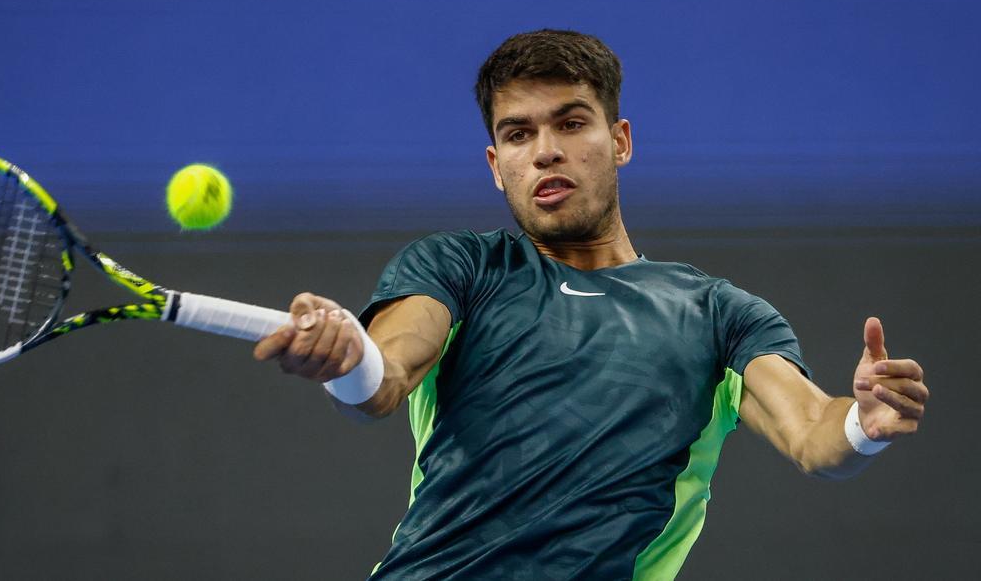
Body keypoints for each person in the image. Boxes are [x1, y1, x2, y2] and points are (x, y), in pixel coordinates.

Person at [252, 30, 929, 579]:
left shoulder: (718, 314)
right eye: (518, 134)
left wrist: (864, 422)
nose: (545, 151)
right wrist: (348, 359)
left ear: (621, 141)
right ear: (495, 164)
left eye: (571, 123)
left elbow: (813, 431)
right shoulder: (459, 267)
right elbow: (386, 374)